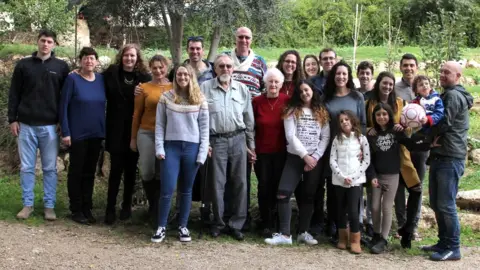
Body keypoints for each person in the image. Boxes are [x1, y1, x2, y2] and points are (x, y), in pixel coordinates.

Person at [8, 29, 70, 220]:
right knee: (27, 167)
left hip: (50, 126)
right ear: (37, 42)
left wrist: (62, 122)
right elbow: (14, 93)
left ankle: (49, 206)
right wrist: (13, 119)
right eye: (43, 40)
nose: (45, 44)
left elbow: (64, 98)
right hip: (25, 124)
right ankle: (27, 205)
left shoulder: (61, 67)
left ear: (54, 45)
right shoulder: (23, 65)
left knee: (50, 168)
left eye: (50, 41)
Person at [264, 80, 330, 245]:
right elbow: (290, 136)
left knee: (308, 196)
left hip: (315, 160)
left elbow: (325, 137)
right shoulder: (291, 111)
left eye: (306, 90)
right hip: (295, 158)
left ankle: (303, 232)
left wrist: (315, 156)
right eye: (300, 92)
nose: (304, 94)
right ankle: (285, 235)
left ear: (312, 91)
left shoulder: (321, 111)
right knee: (283, 193)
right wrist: (305, 156)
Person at [365, 71, 425, 248]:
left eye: (391, 84)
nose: (388, 87)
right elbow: (367, 152)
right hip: (377, 166)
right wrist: (367, 130)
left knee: (401, 198)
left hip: (396, 165)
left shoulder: (399, 114)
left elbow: (411, 138)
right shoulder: (370, 114)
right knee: (376, 205)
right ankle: (377, 234)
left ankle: (396, 234)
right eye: (384, 83)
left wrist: (426, 140)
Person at [151, 64, 209, 243]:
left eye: (185, 74)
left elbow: (205, 130)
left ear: (191, 76)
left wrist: (202, 154)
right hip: (171, 148)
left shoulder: (200, 99)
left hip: (191, 148)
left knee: (186, 190)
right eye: (179, 74)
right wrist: (159, 148)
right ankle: (161, 227)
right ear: (175, 77)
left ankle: (183, 226)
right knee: (167, 189)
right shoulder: (166, 98)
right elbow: (160, 125)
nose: (182, 77)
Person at [422, 61, 473, 261]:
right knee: (436, 201)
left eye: (447, 72)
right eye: (441, 71)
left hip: (450, 157)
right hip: (441, 155)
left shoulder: (453, 95)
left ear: (458, 76)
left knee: (446, 203)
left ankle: (453, 247)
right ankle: (443, 242)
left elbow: (444, 122)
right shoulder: (448, 94)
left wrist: (424, 137)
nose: (442, 74)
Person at [201, 53, 255, 241]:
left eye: (228, 66)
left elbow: (249, 119)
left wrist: (251, 145)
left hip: (238, 139)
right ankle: (218, 223)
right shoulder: (205, 88)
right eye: (221, 66)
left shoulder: (241, 89)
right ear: (215, 69)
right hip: (216, 141)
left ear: (233, 69)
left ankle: (237, 224)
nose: (225, 69)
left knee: (240, 183)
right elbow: (200, 118)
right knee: (217, 184)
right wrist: (204, 143)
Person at [317, 61, 366, 241]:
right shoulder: (326, 98)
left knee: (352, 189)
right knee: (334, 189)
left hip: (352, 150)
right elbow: (321, 124)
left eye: (344, 74)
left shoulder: (357, 97)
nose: (341, 77)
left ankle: (354, 229)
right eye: (338, 74)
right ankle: (335, 227)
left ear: (349, 76)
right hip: (332, 148)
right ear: (333, 76)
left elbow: (363, 123)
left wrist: (361, 145)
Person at [224, 26, 267, 230]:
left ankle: (245, 214)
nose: (243, 40)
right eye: (240, 36)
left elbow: (266, 89)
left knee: (245, 170)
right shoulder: (225, 58)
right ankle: (227, 213)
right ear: (235, 38)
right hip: (228, 123)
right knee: (227, 172)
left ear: (252, 39)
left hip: (251, 123)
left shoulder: (259, 62)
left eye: (247, 37)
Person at [103, 44, 151, 225]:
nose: (129, 59)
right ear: (121, 57)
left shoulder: (144, 77)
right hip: (115, 128)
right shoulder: (111, 73)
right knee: (115, 170)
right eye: (126, 56)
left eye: (132, 56)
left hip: (135, 129)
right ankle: (109, 208)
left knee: (131, 171)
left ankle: (126, 207)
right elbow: (92, 78)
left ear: (137, 58)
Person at [59, 47, 105, 225]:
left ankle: (87, 207)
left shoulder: (101, 80)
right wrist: (66, 132)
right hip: (77, 134)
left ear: (96, 61)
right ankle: (76, 209)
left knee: (89, 173)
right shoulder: (72, 79)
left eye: (92, 58)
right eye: (85, 58)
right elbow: (63, 107)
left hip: (96, 133)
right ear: (80, 61)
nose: (89, 61)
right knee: (76, 172)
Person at [130, 55, 172, 220]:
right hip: (147, 132)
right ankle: (153, 205)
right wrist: (133, 138)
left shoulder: (174, 87)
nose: (158, 71)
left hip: (168, 136)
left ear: (166, 67)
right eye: (154, 68)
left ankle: (159, 210)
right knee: (147, 171)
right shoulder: (143, 88)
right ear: (150, 69)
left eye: (161, 67)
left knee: (163, 172)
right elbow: (137, 114)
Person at [252, 68, 289, 237]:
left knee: (278, 186)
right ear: (265, 83)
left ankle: (277, 220)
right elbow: (250, 126)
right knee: (264, 186)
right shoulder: (257, 101)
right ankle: (265, 221)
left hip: (282, 152)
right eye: (270, 82)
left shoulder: (287, 101)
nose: (273, 85)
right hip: (262, 153)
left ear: (281, 84)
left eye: (276, 82)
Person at [393, 54, 426, 241]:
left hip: (421, 147)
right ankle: (401, 225)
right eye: (405, 65)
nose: (409, 68)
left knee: (417, 186)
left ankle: (412, 227)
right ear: (400, 67)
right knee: (399, 187)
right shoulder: (395, 90)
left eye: (412, 65)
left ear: (417, 67)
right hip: (402, 146)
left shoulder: (425, 90)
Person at [329, 110, 370, 254]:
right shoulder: (337, 139)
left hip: (355, 181)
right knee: (341, 210)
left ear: (352, 121)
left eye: (346, 119)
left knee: (353, 212)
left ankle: (355, 241)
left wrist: (353, 177)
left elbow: (366, 160)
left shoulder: (361, 139)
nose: (344, 122)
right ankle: (342, 239)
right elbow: (332, 160)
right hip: (339, 181)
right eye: (341, 121)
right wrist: (341, 176)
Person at [410, 75, 445, 141]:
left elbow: (440, 113)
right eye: (421, 85)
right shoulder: (414, 103)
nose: (424, 86)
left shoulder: (436, 99)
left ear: (430, 87)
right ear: (416, 90)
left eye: (426, 83)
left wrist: (428, 119)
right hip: (420, 131)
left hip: (434, 129)